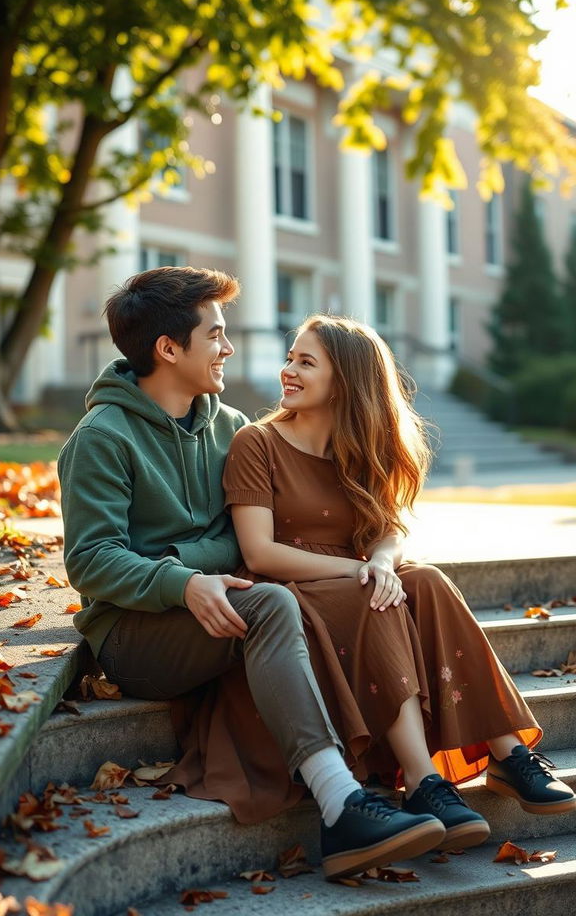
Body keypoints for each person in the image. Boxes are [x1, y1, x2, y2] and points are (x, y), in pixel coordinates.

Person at [57, 267, 448, 883]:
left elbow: (234, 540)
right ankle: (341, 803)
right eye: (214, 335)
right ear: (168, 349)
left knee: (328, 595)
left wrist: (194, 563)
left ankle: (398, 780)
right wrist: (181, 581)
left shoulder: (230, 428)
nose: (228, 348)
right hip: (136, 635)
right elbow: (91, 558)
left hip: (216, 609)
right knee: (271, 603)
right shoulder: (101, 438)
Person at [166, 313, 575, 852]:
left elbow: (388, 531)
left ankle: (507, 753)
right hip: (291, 590)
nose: (288, 370)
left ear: (348, 382)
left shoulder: (357, 450)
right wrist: (359, 570)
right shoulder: (256, 443)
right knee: (375, 596)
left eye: (306, 362)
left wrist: (381, 562)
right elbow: (259, 552)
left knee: (423, 579)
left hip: (353, 582)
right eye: (291, 357)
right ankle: (424, 780)